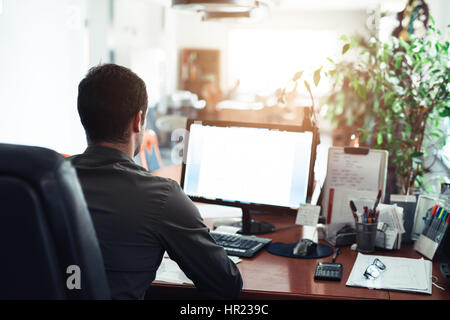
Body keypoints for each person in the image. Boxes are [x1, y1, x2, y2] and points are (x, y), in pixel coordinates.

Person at [70, 63, 242, 300]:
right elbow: (226, 283)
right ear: (138, 121)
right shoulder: (162, 196)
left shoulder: (43, 183)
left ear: (84, 117)